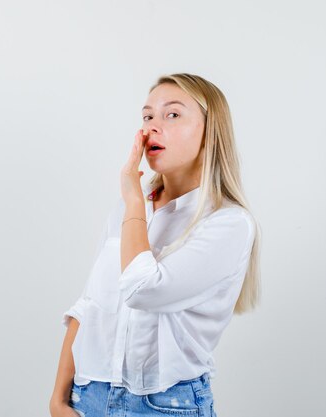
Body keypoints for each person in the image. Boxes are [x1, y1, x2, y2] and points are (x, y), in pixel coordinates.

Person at [49, 73, 262, 417]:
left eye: (172, 114)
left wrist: (134, 201)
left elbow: (141, 290)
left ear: (211, 132)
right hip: (86, 399)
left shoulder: (228, 224)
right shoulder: (128, 206)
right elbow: (88, 306)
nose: (152, 127)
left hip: (164, 406)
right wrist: (58, 400)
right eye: (147, 116)